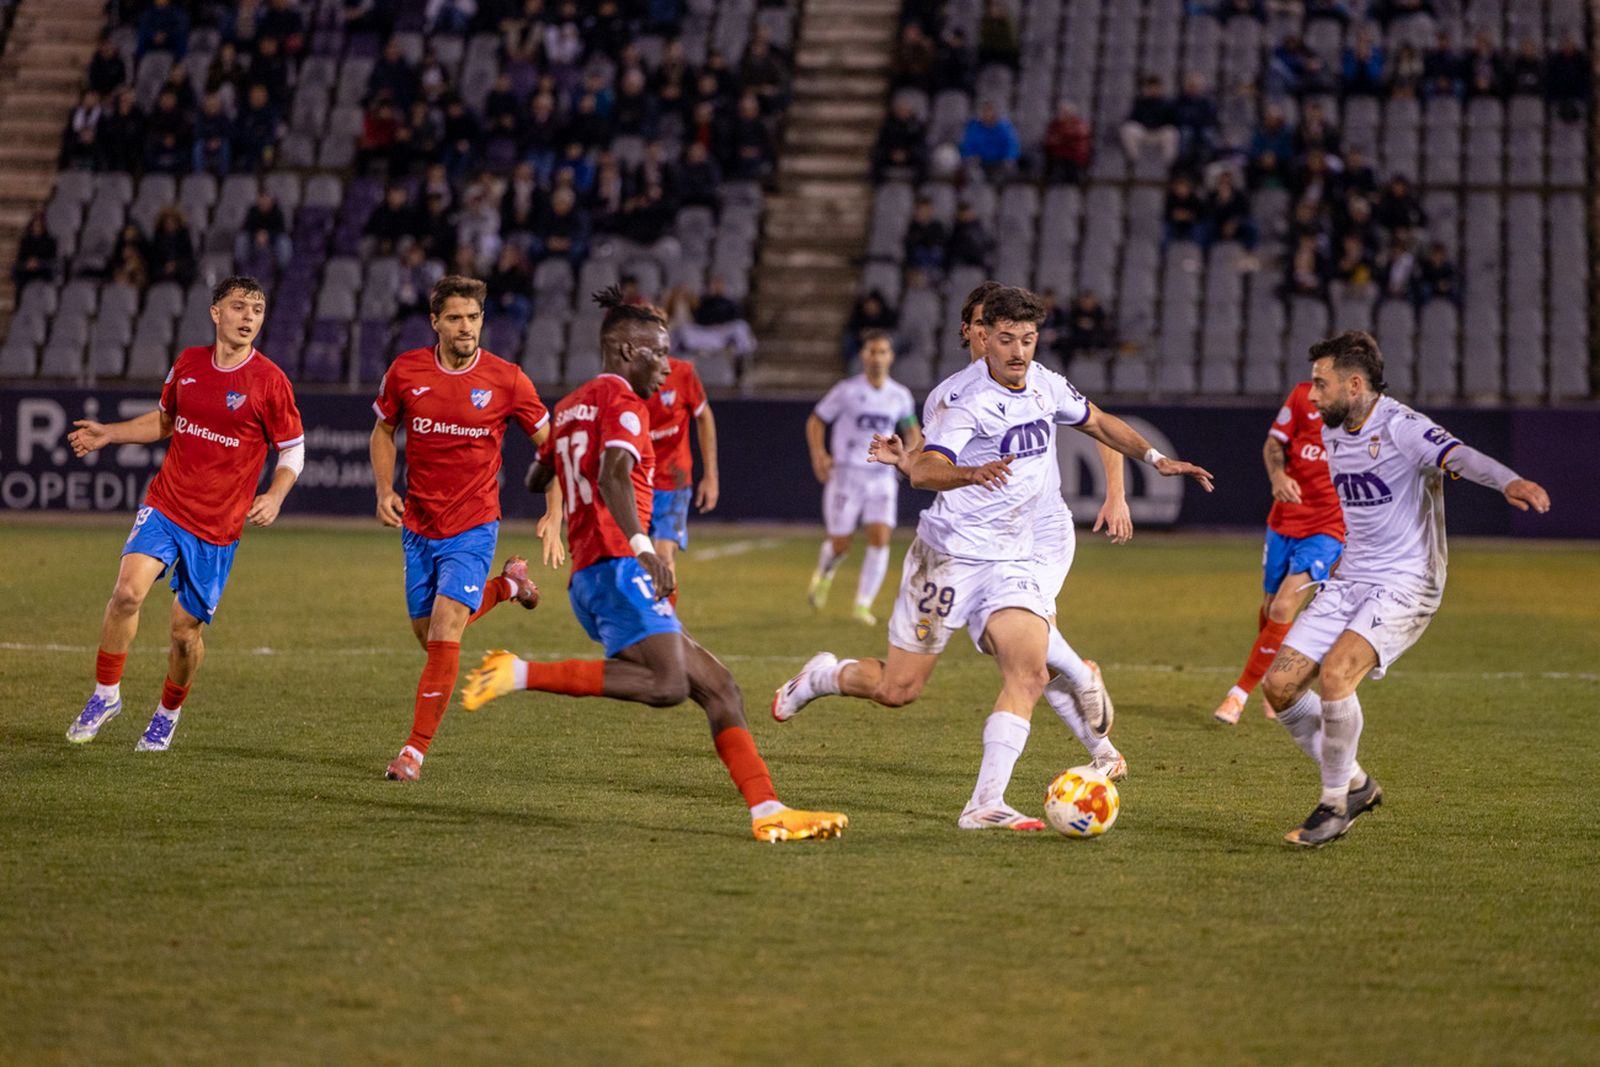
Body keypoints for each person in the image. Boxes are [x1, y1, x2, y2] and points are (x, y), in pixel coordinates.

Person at [775, 286, 1212, 829]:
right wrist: (965, 473)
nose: (1017, 350)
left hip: (1012, 557)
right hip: (949, 559)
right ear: (980, 337)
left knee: (1028, 672)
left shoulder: (1046, 385)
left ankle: (985, 803)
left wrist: (1156, 458)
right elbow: (927, 470)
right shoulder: (964, 402)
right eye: (1006, 338)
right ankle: (822, 676)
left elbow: (1097, 422)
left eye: (1026, 340)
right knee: (899, 689)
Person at [459, 289, 848, 843]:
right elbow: (617, 472)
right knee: (668, 684)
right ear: (622, 350)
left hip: (595, 574)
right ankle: (518, 672)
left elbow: (535, 477)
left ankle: (767, 810)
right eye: (657, 353)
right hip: (620, 567)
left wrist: (570, 483)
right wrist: (644, 547)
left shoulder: (569, 406)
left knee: (719, 688)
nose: (667, 366)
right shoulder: (623, 404)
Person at [1261, 331, 1550, 846]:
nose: (1312, 394)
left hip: (1406, 582)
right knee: (1279, 686)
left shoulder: (1402, 427)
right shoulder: (1333, 429)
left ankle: (1333, 804)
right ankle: (1355, 783)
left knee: (1336, 674)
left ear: (1354, 385)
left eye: (1320, 384)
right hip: (1351, 578)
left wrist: (1509, 481)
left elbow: (1459, 456)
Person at [64, 276, 304, 751]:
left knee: (182, 634)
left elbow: (293, 451)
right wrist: (109, 433)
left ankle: (167, 713)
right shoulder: (189, 364)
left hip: (216, 527)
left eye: (257, 309)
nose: (249, 317)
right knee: (127, 593)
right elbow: (165, 420)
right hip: (166, 504)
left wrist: (275, 495)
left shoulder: (270, 381)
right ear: (216, 313)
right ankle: (105, 694)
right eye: (239, 307)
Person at [370, 275, 563, 783]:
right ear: (434, 321)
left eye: (473, 318)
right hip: (418, 524)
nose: (465, 327)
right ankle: (508, 586)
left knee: (444, 628)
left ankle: (413, 752)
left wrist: (553, 514)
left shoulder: (507, 379)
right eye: (454, 318)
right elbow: (384, 429)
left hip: (474, 525)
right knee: (426, 633)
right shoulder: (406, 371)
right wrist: (384, 488)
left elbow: (552, 449)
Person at [1213, 381, 1344, 725]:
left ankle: (1238, 694)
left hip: (1327, 529)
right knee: (1272, 608)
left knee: (1285, 606)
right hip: (1284, 519)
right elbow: (1274, 442)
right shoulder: (1303, 396)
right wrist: (1279, 476)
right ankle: (1275, 682)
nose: (1317, 385)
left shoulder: (1360, 414)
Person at [806, 331, 922, 625]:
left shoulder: (900, 395)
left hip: (882, 476)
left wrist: (908, 458)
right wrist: (819, 455)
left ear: (891, 357)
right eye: (872, 351)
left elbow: (912, 431)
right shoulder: (846, 391)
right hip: (847, 474)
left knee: (880, 538)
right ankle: (825, 571)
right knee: (841, 543)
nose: (877, 357)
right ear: (863, 355)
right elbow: (817, 420)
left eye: (883, 351)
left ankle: (862, 604)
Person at [643, 348, 719, 598]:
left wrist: (711, 476)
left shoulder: (683, 373)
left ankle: (665, 627)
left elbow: (704, 417)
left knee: (664, 556)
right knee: (633, 562)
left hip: (673, 483)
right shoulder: (628, 380)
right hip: (636, 482)